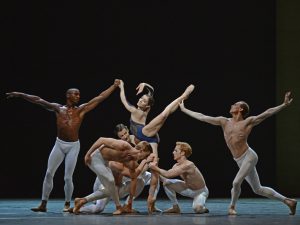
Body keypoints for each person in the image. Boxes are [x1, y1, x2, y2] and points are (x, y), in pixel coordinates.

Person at [6, 79, 120, 212]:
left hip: (73, 146)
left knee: (67, 177)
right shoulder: (58, 109)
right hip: (59, 144)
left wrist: (113, 86)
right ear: (68, 96)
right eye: (75, 94)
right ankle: (43, 204)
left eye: (79, 94)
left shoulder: (81, 110)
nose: (78, 96)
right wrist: (20, 94)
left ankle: (67, 204)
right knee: (49, 173)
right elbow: (38, 100)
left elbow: (99, 98)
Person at [179, 91, 297, 215]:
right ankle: (288, 201)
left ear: (240, 109)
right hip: (239, 160)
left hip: (249, 156)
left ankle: (232, 207)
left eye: (235, 104)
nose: (232, 105)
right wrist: (184, 109)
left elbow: (266, 113)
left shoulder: (248, 122)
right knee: (258, 189)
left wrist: (284, 105)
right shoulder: (224, 121)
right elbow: (202, 117)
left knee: (236, 182)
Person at [118, 80, 195, 213]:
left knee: (164, 114)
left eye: (143, 101)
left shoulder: (136, 111)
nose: (140, 101)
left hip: (145, 133)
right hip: (149, 139)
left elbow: (124, 101)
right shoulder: (143, 109)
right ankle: (151, 200)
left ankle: (183, 95)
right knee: (154, 168)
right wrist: (145, 85)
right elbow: (151, 92)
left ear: (147, 106)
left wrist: (122, 87)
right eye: (141, 99)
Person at [75, 137, 153, 215]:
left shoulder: (131, 161)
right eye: (144, 156)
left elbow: (134, 176)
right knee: (110, 183)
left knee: (140, 181)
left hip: (114, 183)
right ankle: (118, 207)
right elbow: (101, 140)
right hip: (96, 160)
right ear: (141, 151)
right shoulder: (123, 146)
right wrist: (88, 154)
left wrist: (130, 202)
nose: (143, 159)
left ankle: (81, 202)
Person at [149, 142, 209, 214]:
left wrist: (155, 167)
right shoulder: (176, 165)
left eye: (175, 150)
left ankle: (204, 208)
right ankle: (175, 207)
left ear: (182, 153)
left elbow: (168, 174)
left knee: (198, 209)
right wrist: (153, 169)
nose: (173, 152)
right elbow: (165, 177)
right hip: (187, 188)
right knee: (167, 183)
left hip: (200, 191)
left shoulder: (188, 165)